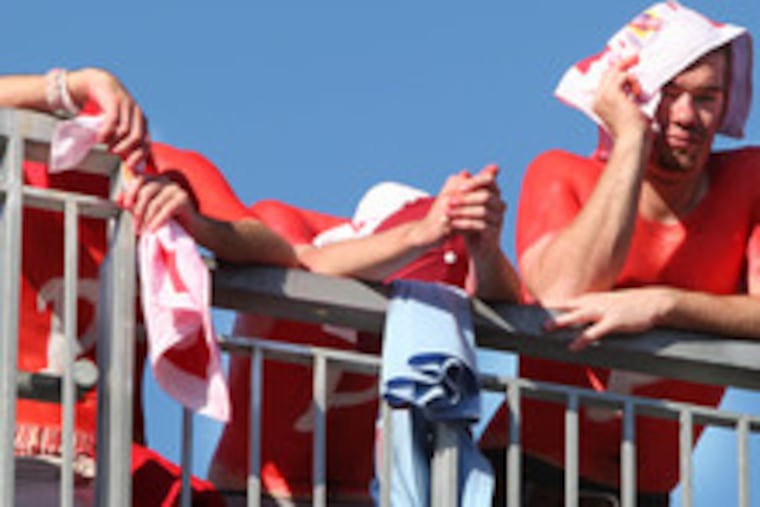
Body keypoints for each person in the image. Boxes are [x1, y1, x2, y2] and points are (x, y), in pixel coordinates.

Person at [479, 2, 757, 506]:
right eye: (668, 94)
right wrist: (630, 138)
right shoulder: (559, 173)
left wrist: (664, 304)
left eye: (707, 97)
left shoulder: (749, 181)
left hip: (646, 494)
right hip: (529, 479)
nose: (686, 116)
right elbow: (561, 293)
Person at [1, 67, 297, 505]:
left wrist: (198, 226)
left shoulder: (160, 169)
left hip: (106, 459)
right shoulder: (22, 149)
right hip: (24, 440)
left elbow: (278, 250)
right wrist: (72, 85)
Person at [209, 167, 522, 505]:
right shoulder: (289, 224)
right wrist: (421, 234)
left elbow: (511, 304)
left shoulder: (417, 287)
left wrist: (485, 250)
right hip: (250, 490)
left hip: (354, 495)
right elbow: (298, 264)